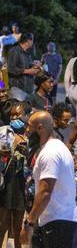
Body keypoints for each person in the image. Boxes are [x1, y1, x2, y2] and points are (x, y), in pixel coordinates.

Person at [20, 111, 77, 248]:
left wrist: (29, 222)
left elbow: (45, 192)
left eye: (29, 126)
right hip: (56, 221)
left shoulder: (50, 153)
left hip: (58, 225)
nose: (27, 131)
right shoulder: (58, 148)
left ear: (40, 128)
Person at [0, 102, 29, 248]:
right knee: (3, 222)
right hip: (6, 180)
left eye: (18, 114)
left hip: (23, 182)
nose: (14, 117)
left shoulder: (32, 134)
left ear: (27, 116)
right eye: (12, 115)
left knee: (18, 224)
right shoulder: (3, 131)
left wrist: (27, 152)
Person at [6, 33, 39, 100]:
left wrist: (34, 64)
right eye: (32, 40)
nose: (33, 43)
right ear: (28, 41)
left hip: (28, 90)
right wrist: (28, 71)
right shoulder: (14, 51)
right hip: (17, 89)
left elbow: (25, 65)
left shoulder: (27, 53)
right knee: (19, 110)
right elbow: (10, 68)